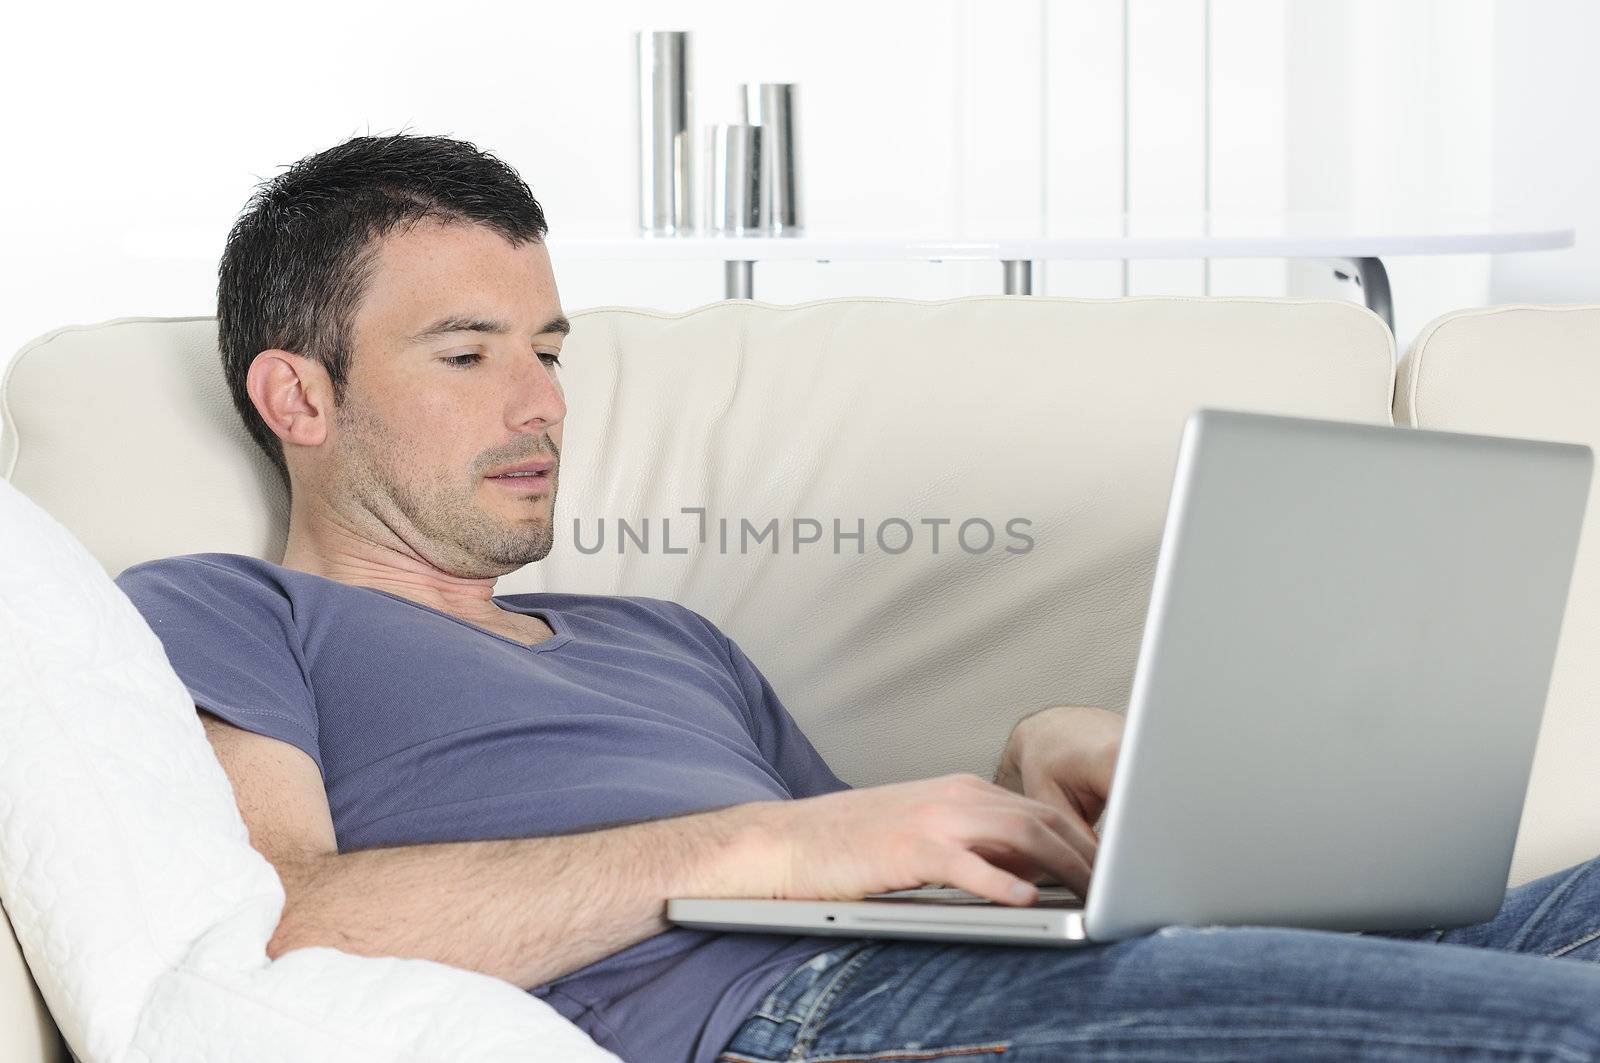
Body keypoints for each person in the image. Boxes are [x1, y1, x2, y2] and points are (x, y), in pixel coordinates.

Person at [117, 134, 1600, 1063]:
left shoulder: (663, 637)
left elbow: (861, 872)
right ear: (296, 396)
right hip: (801, 1026)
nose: (542, 401)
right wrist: (769, 839)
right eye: (467, 355)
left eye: (551, 348)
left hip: (941, 978)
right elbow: (282, 931)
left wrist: (1040, 788)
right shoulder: (226, 611)